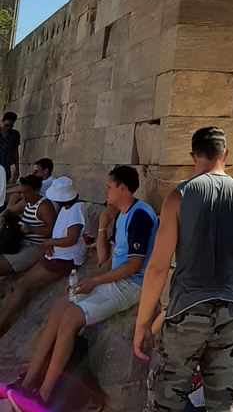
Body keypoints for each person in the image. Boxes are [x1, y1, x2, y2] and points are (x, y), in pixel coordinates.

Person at [134, 126, 233, 412]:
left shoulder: (179, 197)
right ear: (226, 154)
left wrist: (142, 323)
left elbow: (159, 266)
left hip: (188, 312)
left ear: (192, 157)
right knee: (222, 407)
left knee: (165, 402)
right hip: (230, 316)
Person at [7, 165, 156, 412]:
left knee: (69, 319)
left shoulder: (141, 214)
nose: (105, 191)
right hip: (112, 279)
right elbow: (105, 260)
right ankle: (29, 381)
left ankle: (42, 396)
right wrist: (102, 225)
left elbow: (133, 265)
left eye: (108, 187)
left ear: (122, 188)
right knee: (59, 308)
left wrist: (96, 281)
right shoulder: (121, 214)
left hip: (129, 285)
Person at [0, 177, 86, 338]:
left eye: (26, 192)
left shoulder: (72, 209)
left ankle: (2, 324)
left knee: (22, 285)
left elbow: (68, 237)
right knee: (20, 285)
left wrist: (45, 240)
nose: (23, 195)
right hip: (47, 251)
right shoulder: (67, 208)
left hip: (55, 256)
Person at [0, 175, 56, 275]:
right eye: (21, 192)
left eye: (27, 192)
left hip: (34, 246)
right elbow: (10, 211)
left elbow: (52, 230)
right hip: (19, 242)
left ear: (37, 190)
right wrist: (2, 215)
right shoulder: (26, 202)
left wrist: (32, 229)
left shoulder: (44, 207)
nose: (23, 196)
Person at [0, 112, 20, 184]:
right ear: (2, 122)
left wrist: (17, 168)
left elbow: (15, 151)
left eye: (10, 126)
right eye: (6, 125)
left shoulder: (14, 134)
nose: (8, 128)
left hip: (6, 166)